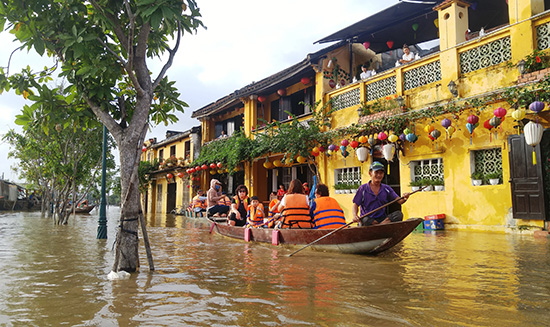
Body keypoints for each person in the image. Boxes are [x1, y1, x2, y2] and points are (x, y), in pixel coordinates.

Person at [352, 161, 410, 226]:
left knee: (399, 214)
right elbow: (355, 204)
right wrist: (355, 216)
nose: (379, 175)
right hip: (369, 220)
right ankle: (380, 225)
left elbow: (399, 201)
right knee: (364, 219)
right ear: (370, 173)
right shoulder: (363, 188)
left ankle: (380, 225)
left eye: (381, 173)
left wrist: (405, 198)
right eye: (376, 173)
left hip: (383, 219)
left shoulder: (386, 188)